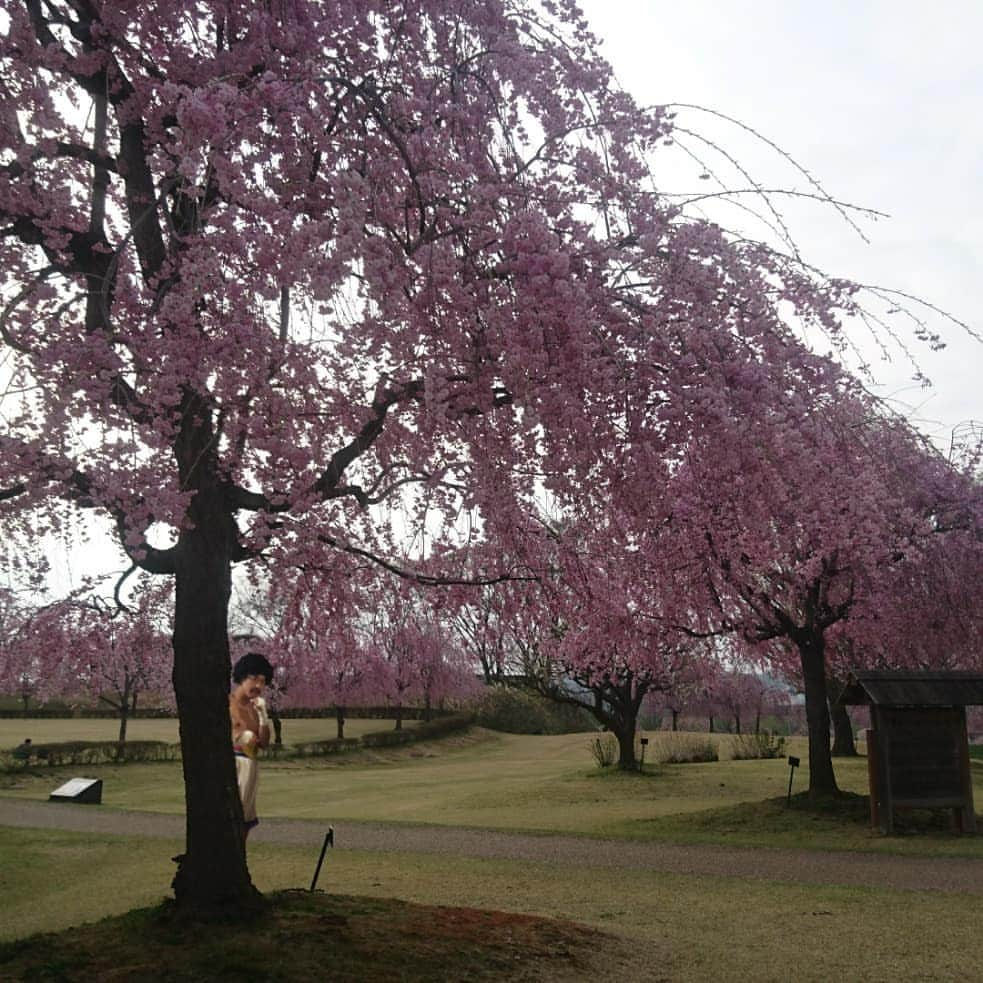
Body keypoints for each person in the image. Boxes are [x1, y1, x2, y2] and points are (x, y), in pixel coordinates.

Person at [229, 652, 274, 840]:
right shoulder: (227, 703)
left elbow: (263, 743)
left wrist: (263, 716)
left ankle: (239, 864)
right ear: (242, 676)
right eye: (254, 679)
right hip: (232, 767)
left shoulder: (255, 708)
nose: (258, 686)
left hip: (251, 767)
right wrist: (240, 737)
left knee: (245, 822)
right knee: (230, 820)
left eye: (262, 682)